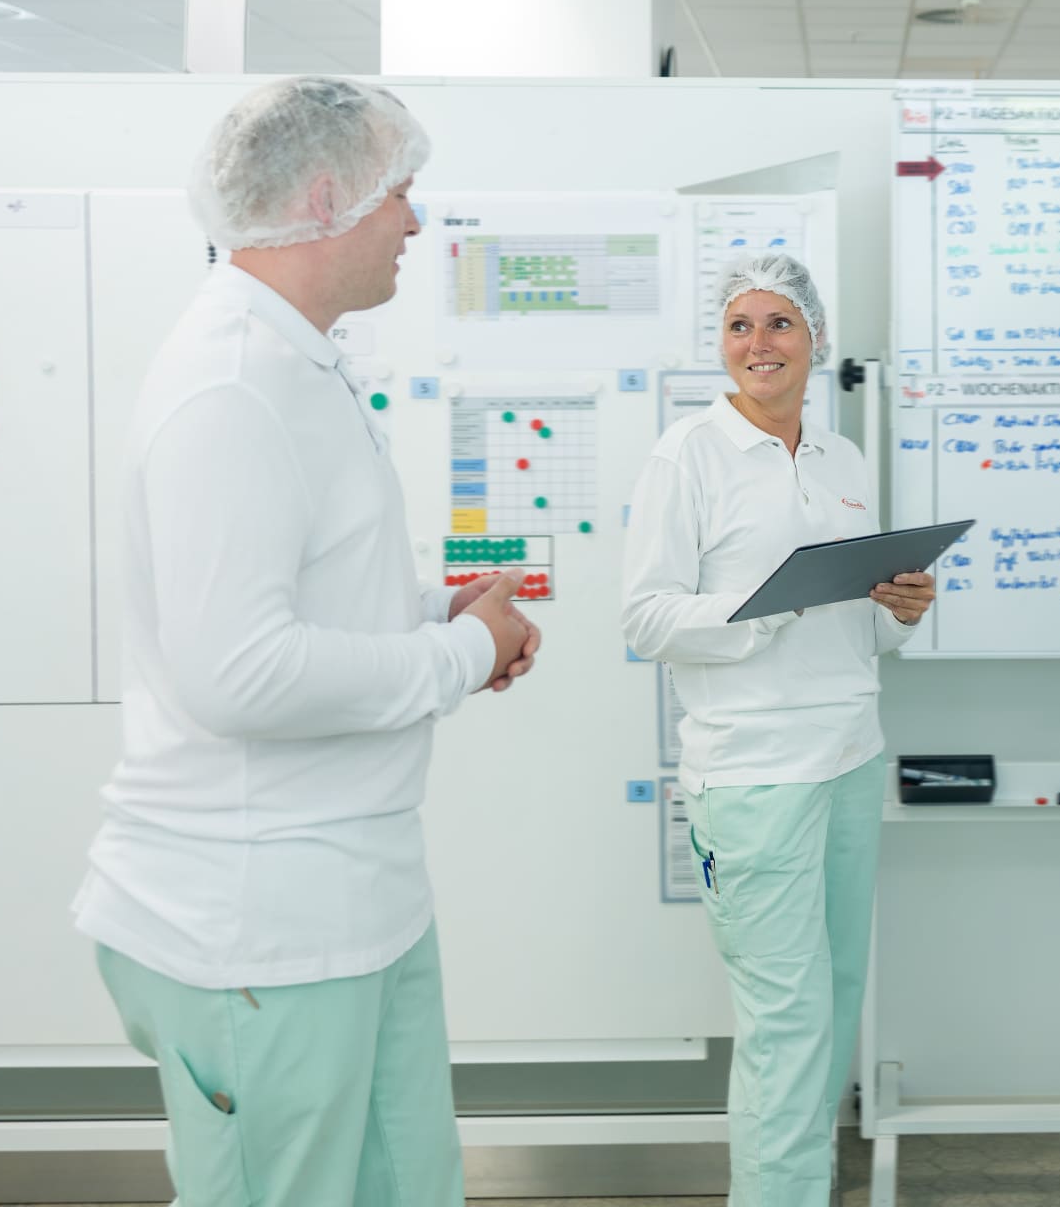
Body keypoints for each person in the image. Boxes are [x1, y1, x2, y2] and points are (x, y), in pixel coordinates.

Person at [73, 76, 539, 1207]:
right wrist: (465, 654)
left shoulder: (300, 365)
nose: (417, 225)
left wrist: (435, 609)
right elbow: (239, 675)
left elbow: (297, 598)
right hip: (257, 929)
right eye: (405, 194)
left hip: (356, 899)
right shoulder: (231, 386)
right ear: (330, 195)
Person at [621, 253, 934, 1205]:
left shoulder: (843, 460)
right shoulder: (689, 454)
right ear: (720, 346)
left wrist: (901, 608)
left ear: (815, 339)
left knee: (830, 1012)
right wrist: (771, 605)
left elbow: (863, 632)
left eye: (780, 323)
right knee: (784, 1021)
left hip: (847, 757)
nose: (760, 343)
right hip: (755, 776)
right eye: (740, 327)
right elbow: (645, 619)